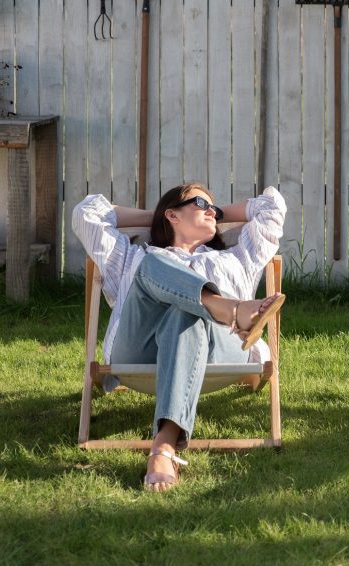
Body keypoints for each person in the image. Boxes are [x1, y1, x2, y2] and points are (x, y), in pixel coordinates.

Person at [72, 183, 286, 492]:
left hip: (218, 351)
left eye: (215, 208)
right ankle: (230, 309)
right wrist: (157, 215)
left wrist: (212, 212)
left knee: (182, 312)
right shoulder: (134, 256)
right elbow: (87, 212)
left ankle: (164, 445)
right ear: (171, 214)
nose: (212, 210)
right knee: (152, 265)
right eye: (201, 203)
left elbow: (272, 207)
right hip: (140, 351)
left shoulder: (238, 258)